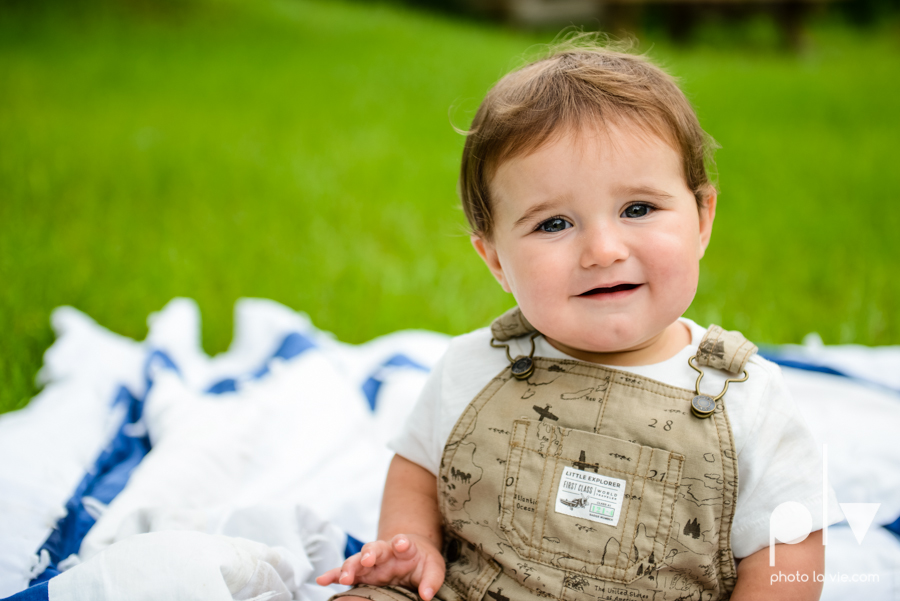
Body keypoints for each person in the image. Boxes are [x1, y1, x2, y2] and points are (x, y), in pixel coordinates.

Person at [317, 37, 841, 601]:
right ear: (495, 259)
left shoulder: (747, 401)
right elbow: (418, 464)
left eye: (638, 209)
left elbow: (789, 546)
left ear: (702, 218)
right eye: (553, 224)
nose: (603, 250)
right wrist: (409, 542)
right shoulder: (475, 366)